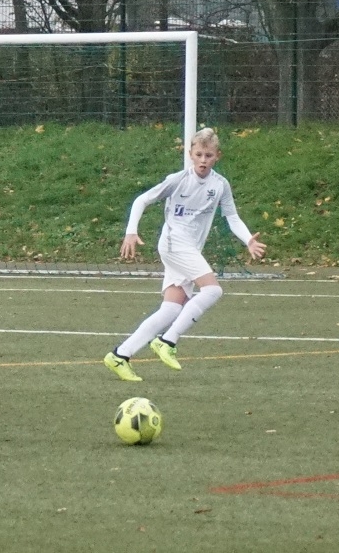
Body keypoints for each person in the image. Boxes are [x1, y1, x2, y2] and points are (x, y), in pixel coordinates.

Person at [103, 128, 266, 382]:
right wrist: (131, 231)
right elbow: (142, 200)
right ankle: (168, 341)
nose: (203, 160)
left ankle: (119, 355)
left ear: (217, 156)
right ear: (190, 154)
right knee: (213, 290)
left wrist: (248, 240)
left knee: (170, 309)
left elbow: (232, 217)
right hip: (174, 243)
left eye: (208, 155)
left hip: (189, 247)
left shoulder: (220, 185)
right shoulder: (178, 179)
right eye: (198, 154)